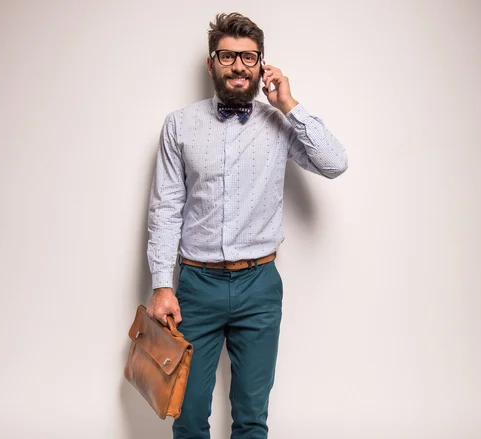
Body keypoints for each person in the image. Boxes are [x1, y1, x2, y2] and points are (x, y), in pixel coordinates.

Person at [145, 12, 348, 439]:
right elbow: (166, 208)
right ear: (211, 63)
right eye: (228, 56)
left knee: (253, 417)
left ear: (262, 64)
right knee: (188, 413)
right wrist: (163, 284)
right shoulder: (179, 125)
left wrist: (289, 105)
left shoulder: (279, 122)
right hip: (196, 287)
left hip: (260, 284)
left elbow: (335, 163)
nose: (239, 65)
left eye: (249, 57)